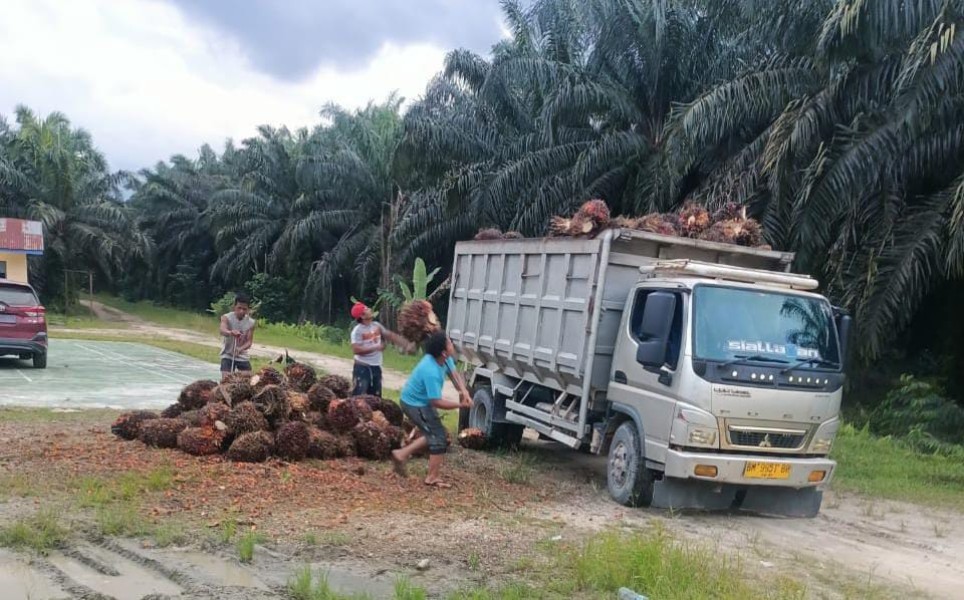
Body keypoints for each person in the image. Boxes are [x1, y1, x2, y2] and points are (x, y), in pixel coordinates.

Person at [391, 331, 472, 488]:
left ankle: (400, 454)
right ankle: (431, 477)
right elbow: (436, 401)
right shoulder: (431, 371)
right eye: (449, 343)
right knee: (438, 437)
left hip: (422, 403)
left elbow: (455, 374)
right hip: (413, 404)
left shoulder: (445, 359)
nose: (452, 344)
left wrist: (464, 392)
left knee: (433, 433)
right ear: (443, 352)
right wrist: (460, 405)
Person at [350, 302, 411, 397]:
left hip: (376, 366)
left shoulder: (376, 325)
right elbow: (356, 350)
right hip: (362, 368)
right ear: (362, 316)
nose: (369, 309)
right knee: (359, 397)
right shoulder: (357, 331)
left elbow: (389, 335)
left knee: (376, 398)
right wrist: (375, 348)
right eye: (366, 309)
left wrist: (405, 344)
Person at [219, 293, 256, 378]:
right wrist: (230, 332)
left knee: (248, 379)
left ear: (248, 310)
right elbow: (222, 330)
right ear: (234, 307)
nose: (241, 311)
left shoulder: (251, 323)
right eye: (239, 308)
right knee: (226, 380)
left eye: (244, 309)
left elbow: (249, 342)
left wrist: (240, 349)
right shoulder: (226, 317)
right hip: (227, 354)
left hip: (242, 356)